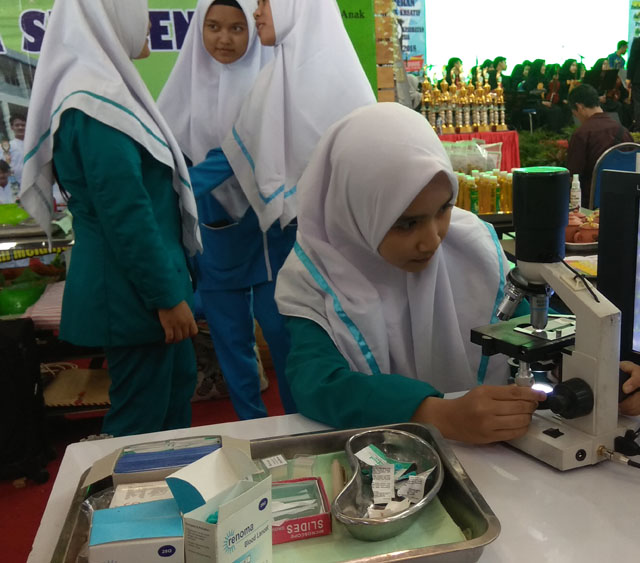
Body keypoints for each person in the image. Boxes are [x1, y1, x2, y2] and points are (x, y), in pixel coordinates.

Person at [275, 103, 640, 444]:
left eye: (444, 209)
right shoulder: (317, 275)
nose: (433, 239)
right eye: (406, 223)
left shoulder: (469, 247)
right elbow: (319, 383)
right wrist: (436, 414)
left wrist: (598, 374)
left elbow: (531, 330)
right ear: (355, 213)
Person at [19, 0, 201, 437]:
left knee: (171, 401)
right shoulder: (93, 105)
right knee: (141, 421)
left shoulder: (107, 93)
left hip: (142, 288)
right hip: (132, 295)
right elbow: (127, 215)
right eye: (141, 10)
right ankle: (128, 505)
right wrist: (165, 297)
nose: (149, 23)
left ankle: (166, 498)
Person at [202, 0, 375, 412]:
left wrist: (173, 190)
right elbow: (234, 157)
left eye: (264, 3)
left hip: (332, 242)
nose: (257, 13)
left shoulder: (326, 77)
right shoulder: (278, 75)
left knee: (349, 346)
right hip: (295, 238)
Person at [158, 0, 280, 420]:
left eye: (236, 28)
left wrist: (179, 189)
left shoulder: (269, 79)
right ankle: (253, 426)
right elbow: (168, 153)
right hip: (212, 229)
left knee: (284, 334)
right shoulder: (185, 84)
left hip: (268, 230)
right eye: (212, 26)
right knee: (231, 339)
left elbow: (240, 151)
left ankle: (301, 424)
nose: (224, 39)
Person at [565, 84, 634, 208]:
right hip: (625, 200)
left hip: (592, 204)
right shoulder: (623, 131)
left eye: (574, 113)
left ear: (579, 107)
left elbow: (573, 175)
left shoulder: (582, 134)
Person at [8, 114, 27, 183]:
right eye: (17, 125)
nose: (20, 127)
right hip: (18, 183)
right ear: (12, 127)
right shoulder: (9, 146)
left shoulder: (33, 144)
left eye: (23, 125)